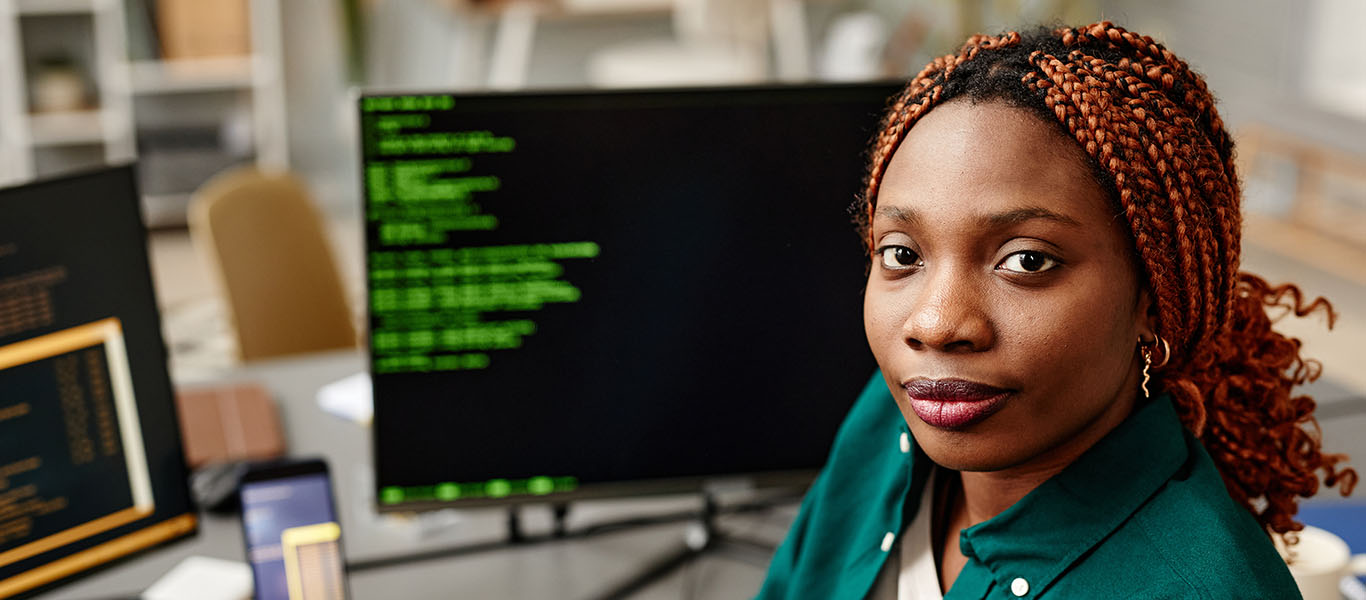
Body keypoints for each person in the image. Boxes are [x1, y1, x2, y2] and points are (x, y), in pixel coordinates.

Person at [757, 22, 1358, 599]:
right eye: (902, 254)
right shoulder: (903, 414)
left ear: (1153, 301)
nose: (934, 324)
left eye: (1026, 262)